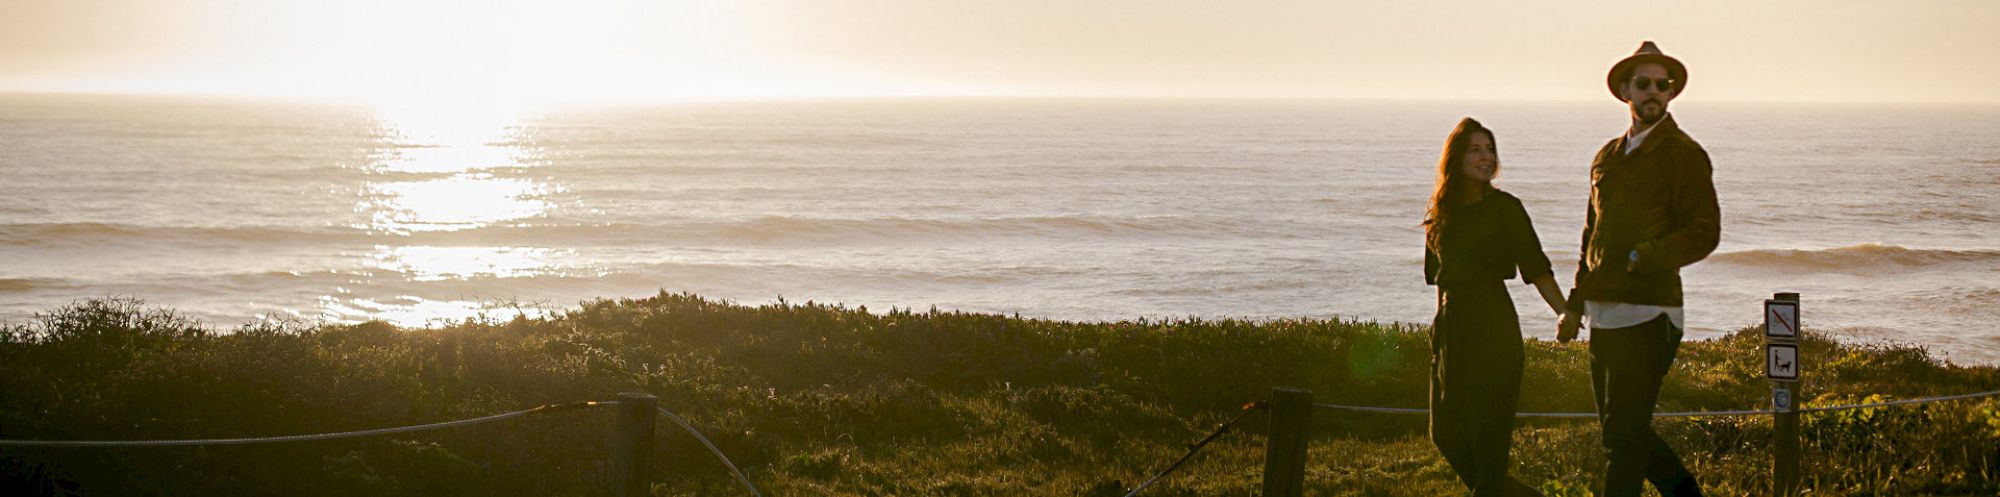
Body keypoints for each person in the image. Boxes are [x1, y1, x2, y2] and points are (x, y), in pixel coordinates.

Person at [1555, 41, 1721, 497]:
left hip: (1652, 312)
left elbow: (1704, 232)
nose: (1654, 91)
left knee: (1625, 436)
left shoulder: (1684, 154)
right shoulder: (1606, 157)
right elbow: (1591, 236)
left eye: (1662, 85)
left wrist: (1643, 256)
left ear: (1671, 94)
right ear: (1625, 91)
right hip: (1603, 315)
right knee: (1618, 435)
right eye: (1644, 83)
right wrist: (1574, 305)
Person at [1423, 117, 1567, 497]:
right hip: (1451, 327)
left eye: (1490, 150)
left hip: (1492, 325)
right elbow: (1439, 279)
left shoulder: (1506, 208)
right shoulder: (1441, 211)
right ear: (1455, 157)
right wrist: (1439, 338)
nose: (1486, 157)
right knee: (1445, 435)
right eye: (1475, 149)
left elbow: (1536, 267)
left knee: (1489, 454)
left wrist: (1564, 312)